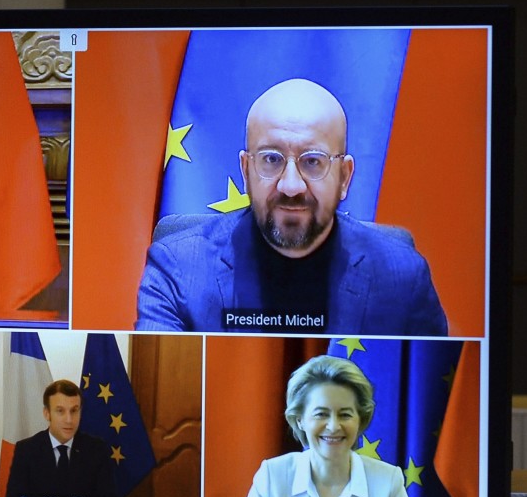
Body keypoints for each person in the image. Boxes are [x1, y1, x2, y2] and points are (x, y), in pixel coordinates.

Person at [135, 78, 447, 336]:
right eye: (271, 159)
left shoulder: (403, 278)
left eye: (313, 162)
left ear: (344, 177)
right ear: (245, 171)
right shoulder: (178, 268)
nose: (291, 186)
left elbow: (434, 401)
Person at [236, 355, 417, 497]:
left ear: (360, 420)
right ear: (300, 419)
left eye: (345, 415)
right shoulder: (272, 476)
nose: (333, 426)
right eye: (321, 414)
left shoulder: (388, 480)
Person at [3, 380, 118, 497]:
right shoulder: (26, 450)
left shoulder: (98, 449)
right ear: (47, 413)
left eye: (74, 411)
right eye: (60, 411)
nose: (69, 420)